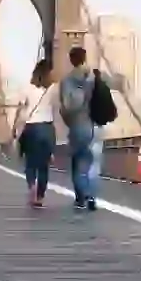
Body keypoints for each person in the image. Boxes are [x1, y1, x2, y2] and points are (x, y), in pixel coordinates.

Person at [58, 46, 100, 211]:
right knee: (93, 162)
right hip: (96, 125)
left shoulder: (67, 80)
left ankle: (82, 197)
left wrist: (68, 120)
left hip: (78, 124)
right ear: (85, 57)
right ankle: (91, 195)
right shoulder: (95, 76)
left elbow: (67, 106)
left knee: (78, 161)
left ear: (71, 60)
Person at [13, 58, 59, 208]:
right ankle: (40, 196)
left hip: (31, 128)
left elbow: (20, 109)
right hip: (47, 128)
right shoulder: (53, 88)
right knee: (44, 165)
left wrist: (15, 126)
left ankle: (32, 186)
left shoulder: (27, 88)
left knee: (31, 163)